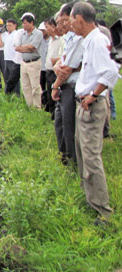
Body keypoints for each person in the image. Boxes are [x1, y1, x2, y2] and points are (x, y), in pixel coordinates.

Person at [70, 2, 119, 224]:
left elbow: (111, 72)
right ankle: (90, 200)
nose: (71, 24)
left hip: (92, 105)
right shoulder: (88, 41)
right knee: (82, 153)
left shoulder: (98, 40)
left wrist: (92, 95)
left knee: (91, 157)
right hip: (85, 104)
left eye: (72, 19)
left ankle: (104, 212)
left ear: (80, 18)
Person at [51, 3, 83, 165]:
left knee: (70, 127)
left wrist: (55, 85)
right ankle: (64, 155)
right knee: (60, 124)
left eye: (65, 20)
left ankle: (73, 161)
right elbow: (61, 62)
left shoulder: (80, 38)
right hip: (64, 85)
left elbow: (67, 67)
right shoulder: (69, 38)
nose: (62, 25)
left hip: (71, 87)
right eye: (60, 22)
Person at [16, 12, 43, 108]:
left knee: (35, 86)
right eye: (23, 23)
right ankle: (30, 106)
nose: (23, 25)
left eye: (25, 23)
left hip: (34, 62)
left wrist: (27, 48)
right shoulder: (23, 34)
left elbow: (32, 47)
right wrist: (27, 48)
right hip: (24, 63)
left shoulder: (38, 33)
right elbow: (17, 47)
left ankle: (37, 107)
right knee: (25, 86)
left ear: (31, 23)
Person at [44, 17, 61, 116]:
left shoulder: (60, 40)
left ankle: (56, 113)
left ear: (53, 27)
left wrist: (57, 60)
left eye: (47, 27)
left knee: (56, 93)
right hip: (49, 70)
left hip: (56, 71)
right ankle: (52, 113)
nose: (46, 29)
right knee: (50, 92)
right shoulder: (51, 40)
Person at [4, 19, 21, 95]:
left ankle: (17, 94)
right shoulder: (6, 35)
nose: (8, 27)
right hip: (6, 59)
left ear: (15, 25)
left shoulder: (17, 34)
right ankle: (8, 93)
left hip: (14, 59)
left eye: (10, 25)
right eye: (7, 25)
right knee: (7, 78)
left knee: (14, 78)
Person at [38, 22, 49, 95]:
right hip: (41, 67)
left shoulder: (52, 39)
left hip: (49, 68)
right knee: (41, 86)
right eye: (40, 30)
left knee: (49, 86)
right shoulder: (39, 40)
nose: (42, 32)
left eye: (43, 30)